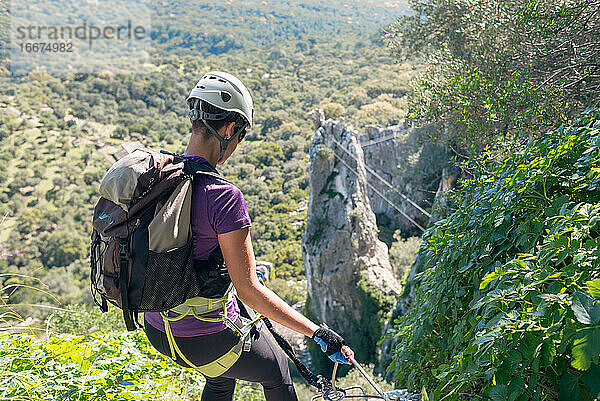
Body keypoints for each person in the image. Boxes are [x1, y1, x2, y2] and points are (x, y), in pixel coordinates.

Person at [143, 71, 354, 401]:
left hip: (156, 328)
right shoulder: (223, 197)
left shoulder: (159, 179)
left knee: (222, 374)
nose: (236, 145)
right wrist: (317, 333)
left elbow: (187, 256)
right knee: (278, 372)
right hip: (202, 338)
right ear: (229, 129)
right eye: (239, 136)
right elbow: (249, 292)